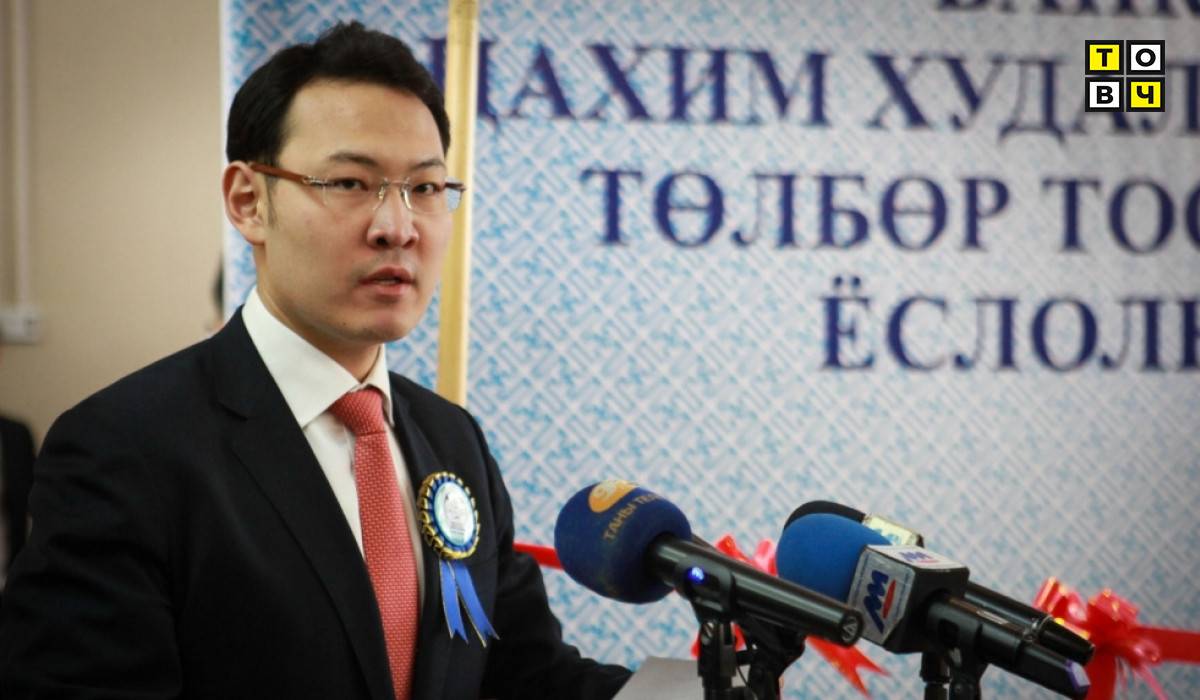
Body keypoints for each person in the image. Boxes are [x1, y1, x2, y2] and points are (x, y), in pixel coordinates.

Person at [0, 22, 631, 700]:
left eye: (424, 188)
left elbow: (525, 677)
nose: (398, 227)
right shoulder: (125, 447)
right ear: (248, 202)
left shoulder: (452, 439)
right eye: (351, 182)